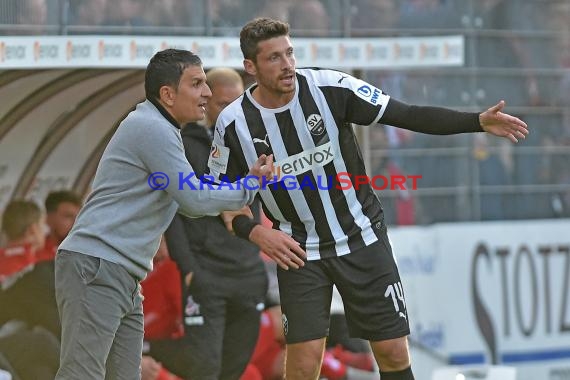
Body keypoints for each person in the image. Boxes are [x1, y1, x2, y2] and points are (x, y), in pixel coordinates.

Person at [207, 18, 529, 380]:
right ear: (250, 67)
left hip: (362, 236)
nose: (287, 66)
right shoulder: (233, 124)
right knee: (303, 362)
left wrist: (476, 122)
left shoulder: (329, 87)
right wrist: (258, 233)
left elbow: (405, 114)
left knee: (392, 351)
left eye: (290, 53)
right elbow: (222, 199)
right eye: (274, 59)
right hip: (299, 251)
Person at [54, 49, 275, 380]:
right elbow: (193, 200)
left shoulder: (161, 128)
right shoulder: (152, 128)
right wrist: (248, 186)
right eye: (197, 83)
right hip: (97, 267)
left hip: (120, 274)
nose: (207, 93)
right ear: (168, 94)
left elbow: (195, 190)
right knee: (82, 374)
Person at [164, 67, 269, 380]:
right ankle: (148, 348)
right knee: (204, 366)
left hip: (248, 272)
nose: (231, 110)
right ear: (206, 102)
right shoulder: (183, 145)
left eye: (238, 102)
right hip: (206, 272)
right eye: (224, 103)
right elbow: (172, 210)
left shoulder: (258, 144)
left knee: (235, 366)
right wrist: (188, 267)